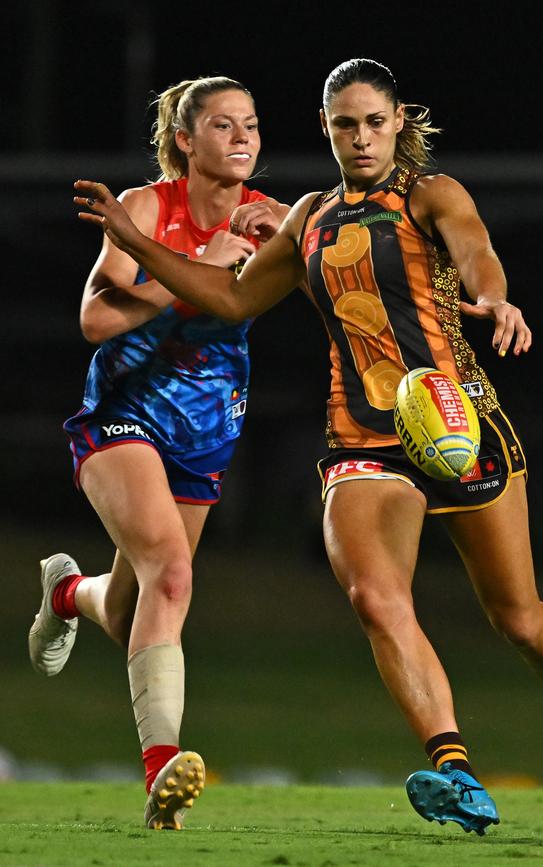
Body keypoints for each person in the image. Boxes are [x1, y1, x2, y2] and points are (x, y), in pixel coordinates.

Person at [73, 58, 543, 836]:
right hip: (362, 436)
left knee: (518, 617)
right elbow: (227, 295)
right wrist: (134, 242)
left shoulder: (432, 194)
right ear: (326, 128)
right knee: (375, 596)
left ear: (398, 124)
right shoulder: (309, 219)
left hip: (454, 420)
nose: (361, 137)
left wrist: (493, 295)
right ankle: (455, 767)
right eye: (346, 123)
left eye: (375, 122)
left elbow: (476, 250)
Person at [29, 74, 288, 830]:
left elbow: (265, 298)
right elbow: (94, 321)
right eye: (222, 124)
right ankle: (162, 767)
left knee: (133, 604)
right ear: (184, 139)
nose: (242, 137)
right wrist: (182, 266)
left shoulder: (271, 222)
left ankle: (66, 593)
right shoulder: (144, 209)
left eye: (252, 123)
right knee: (173, 575)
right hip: (122, 415)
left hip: (207, 426)